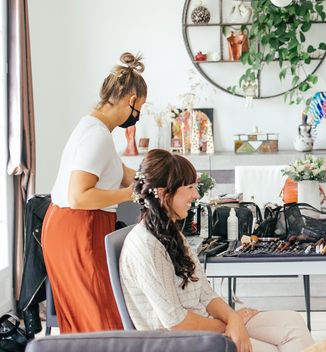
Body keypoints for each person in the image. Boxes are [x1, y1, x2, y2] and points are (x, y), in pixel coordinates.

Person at [119, 149, 314, 352]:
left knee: (292, 322)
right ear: (162, 193)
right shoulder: (146, 245)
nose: (196, 195)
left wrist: (232, 318)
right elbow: (176, 323)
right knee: (271, 349)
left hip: (205, 326)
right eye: (189, 187)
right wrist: (230, 324)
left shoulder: (171, 233)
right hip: (182, 342)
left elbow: (205, 292)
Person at [42, 52, 147, 333]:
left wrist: (150, 181)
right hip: (79, 228)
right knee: (99, 318)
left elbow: (117, 169)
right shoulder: (97, 136)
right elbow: (79, 195)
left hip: (69, 227)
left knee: (89, 316)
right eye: (140, 108)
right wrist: (130, 194)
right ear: (132, 100)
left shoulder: (94, 128)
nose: (137, 116)